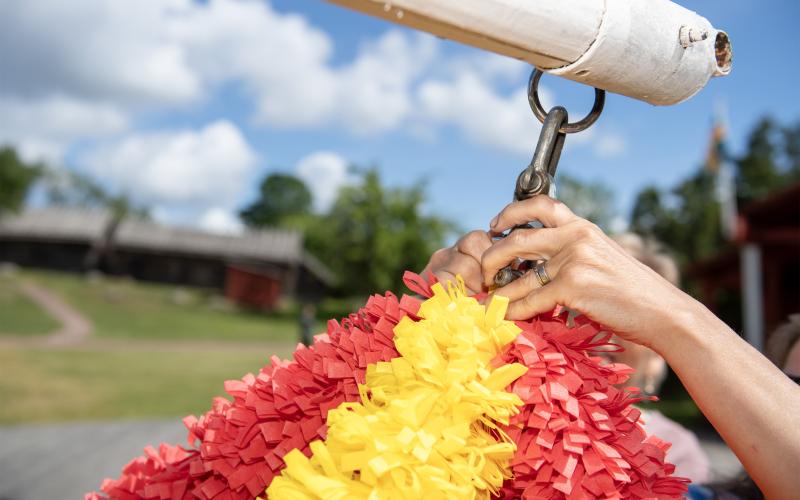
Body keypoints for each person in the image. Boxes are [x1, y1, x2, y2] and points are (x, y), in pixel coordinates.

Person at [422, 195, 800, 499]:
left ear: (660, 362)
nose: (602, 334)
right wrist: (428, 336)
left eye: (789, 393)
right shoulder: (501, 415)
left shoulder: (675, 461)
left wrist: (675, 320)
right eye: (578, 312)